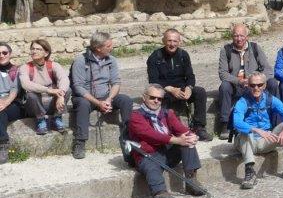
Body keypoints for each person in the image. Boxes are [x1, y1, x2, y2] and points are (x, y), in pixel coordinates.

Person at [127, 84, 205, 198]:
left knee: (188, 142)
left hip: (166, 152)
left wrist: (191, 136)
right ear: (144, 97)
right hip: (147, 154)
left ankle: (191, 181)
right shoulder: (135, 116)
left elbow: (181, 129)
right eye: (152, 97)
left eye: (160, 99)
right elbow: (150, 135)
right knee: (152, 167)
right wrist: (176, 140)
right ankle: (161, 194)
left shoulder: (167, 113)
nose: (156, 101)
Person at [232, 72, 283, 189]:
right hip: (247, 142)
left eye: (260, 85)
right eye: (252, 85)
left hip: (265, 141)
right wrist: (256, 130)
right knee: (245, 131)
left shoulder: (270, 99)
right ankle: (250, 171)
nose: (256, 88)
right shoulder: (243, 101)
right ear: (248, 86)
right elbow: (237, 122)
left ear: (265, 85)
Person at [70, 31, 134, 160]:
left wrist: (109, 99)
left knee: (126, 100)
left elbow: (116, 82)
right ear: (98, 48)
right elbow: (78, 87)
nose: (112, 48)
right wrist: (98, 103)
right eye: (108, 46)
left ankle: (129, 135)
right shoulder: (80, 61)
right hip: (86, 97)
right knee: (82, 104)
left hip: (105, 96)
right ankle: (80, 142)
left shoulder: (112, 60)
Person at [146, 28, 210, 141]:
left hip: (182, 89)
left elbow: (190, 75)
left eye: (175, 41)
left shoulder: (183, 55)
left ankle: (199, 127)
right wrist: (170, 89)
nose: (172, 44)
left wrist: (189, 88)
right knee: (162, 97)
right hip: (165, 89)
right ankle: (171, 130)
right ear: (164, 41)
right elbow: (153, 80)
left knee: (200, 92)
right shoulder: (155, 57)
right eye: (169, 41)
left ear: (179, 42)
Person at [217, 23, 276, 140]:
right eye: (235, 36)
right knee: (224, 86)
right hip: (236, 85)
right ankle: (225, 124)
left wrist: (256, 80)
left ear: (247, 36)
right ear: (232, 37)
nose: (239, 39)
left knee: (273, 83)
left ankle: (273, 119)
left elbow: (268, 70)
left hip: (254, 84)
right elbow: (223, 73)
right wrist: (239, 81)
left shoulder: (255, 48)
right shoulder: (226, 50)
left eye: (241, 36)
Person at [19, 38, 70, 136]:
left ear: (46, 53)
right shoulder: (25, 67)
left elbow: (64, 79)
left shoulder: (54, 65)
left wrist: (61, 94)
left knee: (68, 90)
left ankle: (57, 116)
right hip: (35, 106)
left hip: (52, 103)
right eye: (33, 49)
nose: (34, 51)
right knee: (31, 95)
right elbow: (26, 84)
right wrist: (49, 90)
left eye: (38, 49)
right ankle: (40, 120)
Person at [0, 42, 21, 165]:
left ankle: (3, 144)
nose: (1, 55)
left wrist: (5, 102)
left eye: (4, 53)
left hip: (14, 104)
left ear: (10, 54)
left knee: (1, 110)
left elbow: (15, 89)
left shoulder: (16, 71)